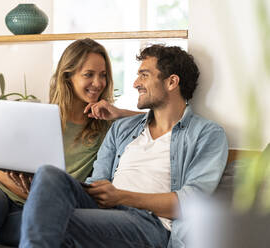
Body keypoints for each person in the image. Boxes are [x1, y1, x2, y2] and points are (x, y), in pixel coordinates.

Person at [0, 38, 137, 246]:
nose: (97, 83)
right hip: (1, 190)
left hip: (41, 206)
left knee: (31, 229)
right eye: (89, 74)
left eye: (103, 75)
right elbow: (4, 170)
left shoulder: (107, 125)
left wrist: (117, 112)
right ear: (68, 76)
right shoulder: (41, 115)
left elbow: (158, 119)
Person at [12, 44, 228, 248]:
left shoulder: (207, 135)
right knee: (48, 174)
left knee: (52, 219)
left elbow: (190, 203)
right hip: (105, 209)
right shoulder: (122, 128)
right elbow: (98, 181)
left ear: (172, 82)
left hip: (150, 224)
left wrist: (122, 196)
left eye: (144, 75)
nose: (135, 83)